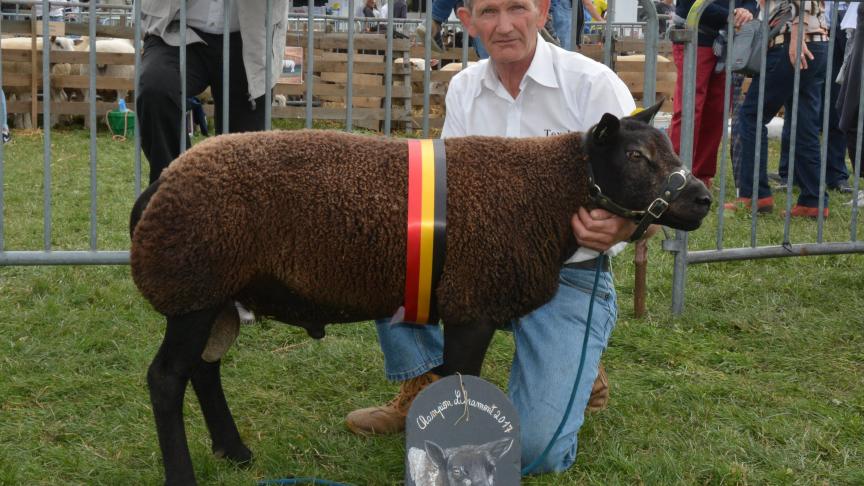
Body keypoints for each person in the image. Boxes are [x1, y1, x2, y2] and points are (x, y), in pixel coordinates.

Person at [346, 0, 638, 473]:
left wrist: (622, 225)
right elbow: (445, 195)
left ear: (544, 12)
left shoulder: (593, 85)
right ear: (467, 21)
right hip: (478, 269)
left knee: (535, 451)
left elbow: (648, 183)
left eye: (518, 8)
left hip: (568, 275)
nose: (504, 26)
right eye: (488, 11)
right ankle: (428, 385)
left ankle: (579, 368)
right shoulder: (464, 87)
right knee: (394, 249)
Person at [137, 0, 289, 185]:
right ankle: (176, 192)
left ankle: (234, 207)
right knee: (156, 88)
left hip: (251, 38)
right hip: (176, 28)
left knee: (246, 158)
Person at [728, 0, 830, 218]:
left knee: (751, 116)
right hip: (816, 41)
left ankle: (754, 195)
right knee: (803, 124)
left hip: (790, 42)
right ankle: (813, 201)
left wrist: (796, 32)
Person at [669, 0, 757, 189]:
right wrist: (732, 15)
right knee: (690, 108)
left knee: (717, 111)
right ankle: (675, 172)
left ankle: (701, 176)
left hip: (725, 41)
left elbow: (750, 2)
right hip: (694, 37)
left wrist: (747, 11)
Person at [776, 1, 853, 194]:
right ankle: (790, 172)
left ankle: (836, 175)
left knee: (838, 101)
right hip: (811, 25)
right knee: (799, 100)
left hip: (845, 19)